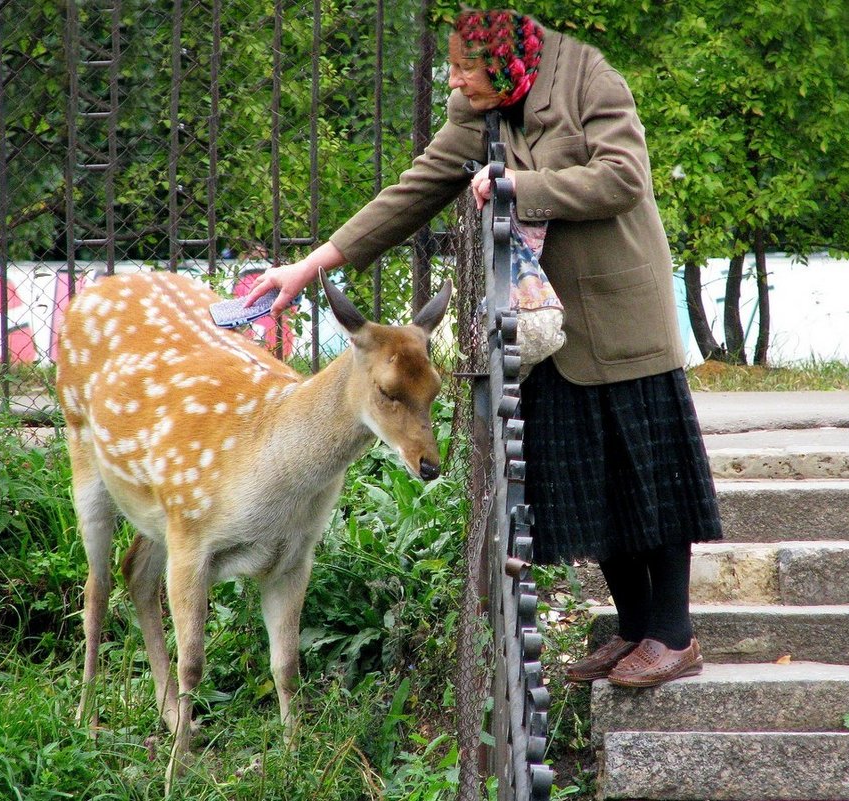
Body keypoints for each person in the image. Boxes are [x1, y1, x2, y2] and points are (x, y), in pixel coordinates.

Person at [244, 8, 723, 688]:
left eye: (469, 68)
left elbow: (623, 177)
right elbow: (417, 187)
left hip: (619, 309)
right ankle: (633, 625)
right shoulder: (476, 106)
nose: (457, 79)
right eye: (454, 65)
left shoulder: (589, 78)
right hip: (543, 321)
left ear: (507, 67)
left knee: (646, 476)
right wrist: (312, 265)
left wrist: (518, 187)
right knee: (591, 479)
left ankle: (673, 635)